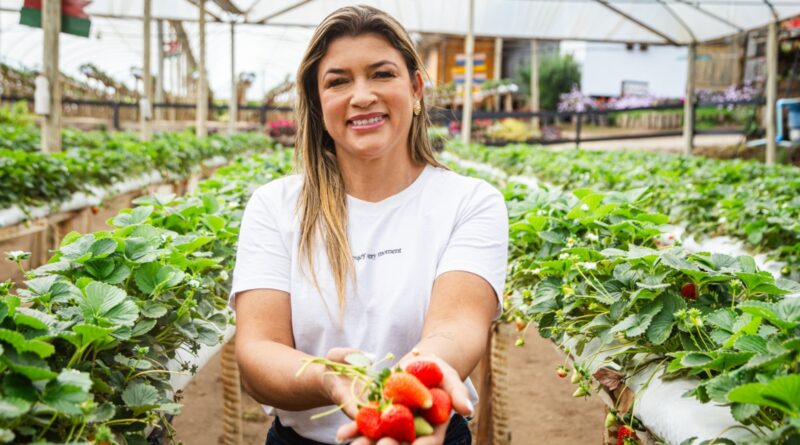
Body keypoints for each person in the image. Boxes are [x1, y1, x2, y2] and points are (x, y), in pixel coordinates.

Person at [231, 5, 508, 445]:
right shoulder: (275, 207)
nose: (362, 96)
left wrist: (416, 387)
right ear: (319, 104)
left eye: (382, 74)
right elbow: (257, 351)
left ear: (416, 88)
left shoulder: (469, 202)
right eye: (338, 81)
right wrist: (328, 378)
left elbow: (458, 325)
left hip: (426, 430)